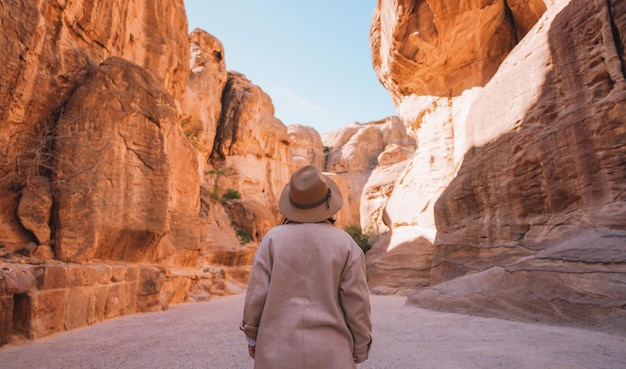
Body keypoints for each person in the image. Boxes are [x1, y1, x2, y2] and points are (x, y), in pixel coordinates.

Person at [240, 165, 373, 368]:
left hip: (276, 351)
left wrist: (252, 334)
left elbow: (256, 293)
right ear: (328, 203)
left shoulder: (272, 239)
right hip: (331, 354)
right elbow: (357, 303)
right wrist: (361, 346)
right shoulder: (346, 244)